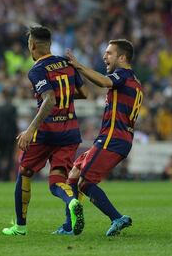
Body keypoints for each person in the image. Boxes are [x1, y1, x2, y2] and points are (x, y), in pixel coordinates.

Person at [2, 26, 88, 236]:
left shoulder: (37, 70)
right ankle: (72, 201)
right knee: (57, 180)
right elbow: (83, 92)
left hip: (48, 130)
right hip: (70, 131)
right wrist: (63, 95)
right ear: (49, 44)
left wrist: (31, 129)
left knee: (24, 173)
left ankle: (20, 227)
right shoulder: (67, 63)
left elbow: (49, 100)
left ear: (32, 46)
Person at [66, 39, 143, 237]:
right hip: (115, 138)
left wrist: (78, 66)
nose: (104, 56)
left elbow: (103, 81)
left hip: (113, 138)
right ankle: (70, 225)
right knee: (74, 173)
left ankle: (117, 218)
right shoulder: (133, 80)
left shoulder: (123, 75)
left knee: (85, 182)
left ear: (122, 57)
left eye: (109, 53)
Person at [0, 89, 18, 181]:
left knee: (0, 155)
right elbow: (14, 123)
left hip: (0, 135)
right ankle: (6, 175)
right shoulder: (12, 108)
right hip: (10, 135)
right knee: (9, 155)